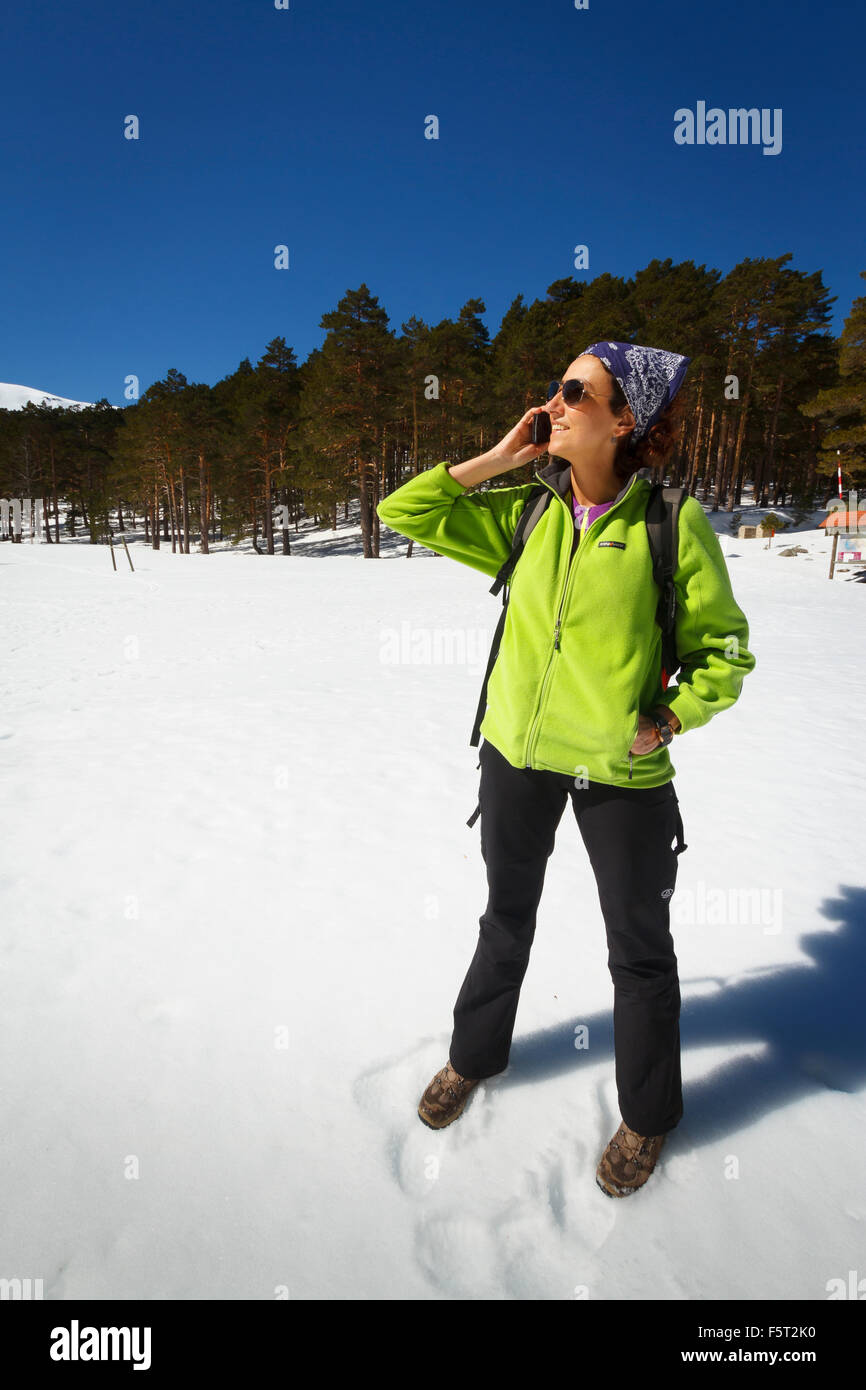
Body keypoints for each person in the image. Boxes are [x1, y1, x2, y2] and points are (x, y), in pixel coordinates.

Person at [376, 341, 756, 1197]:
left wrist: (668, 719)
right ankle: (473, 1059)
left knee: (640, 952)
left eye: (577, 390)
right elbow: (403, 510)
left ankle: (648, 1116)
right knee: (504, 920)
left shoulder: (670, 522)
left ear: (627, 419)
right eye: (556, 384)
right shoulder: (529, 510)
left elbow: (725, 653)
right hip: (517, 755)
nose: (555, 399)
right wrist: (502, 458)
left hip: (622, 775)